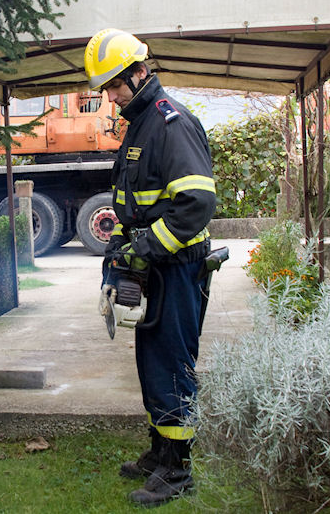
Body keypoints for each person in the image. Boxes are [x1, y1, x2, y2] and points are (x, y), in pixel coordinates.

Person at [84, 28, 217, 507]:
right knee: (152, 361)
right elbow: (135, 203)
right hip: (157, 267)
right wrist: (123, 243)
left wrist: (145, 247)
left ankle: (178, 470)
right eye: (106, 88)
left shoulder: (170, 123)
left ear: (140, 73)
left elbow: (196, 203)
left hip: (178, 268)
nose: (111, 96)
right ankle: (160, 453)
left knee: (172, 364)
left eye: (115, 85)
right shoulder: (141, 124)